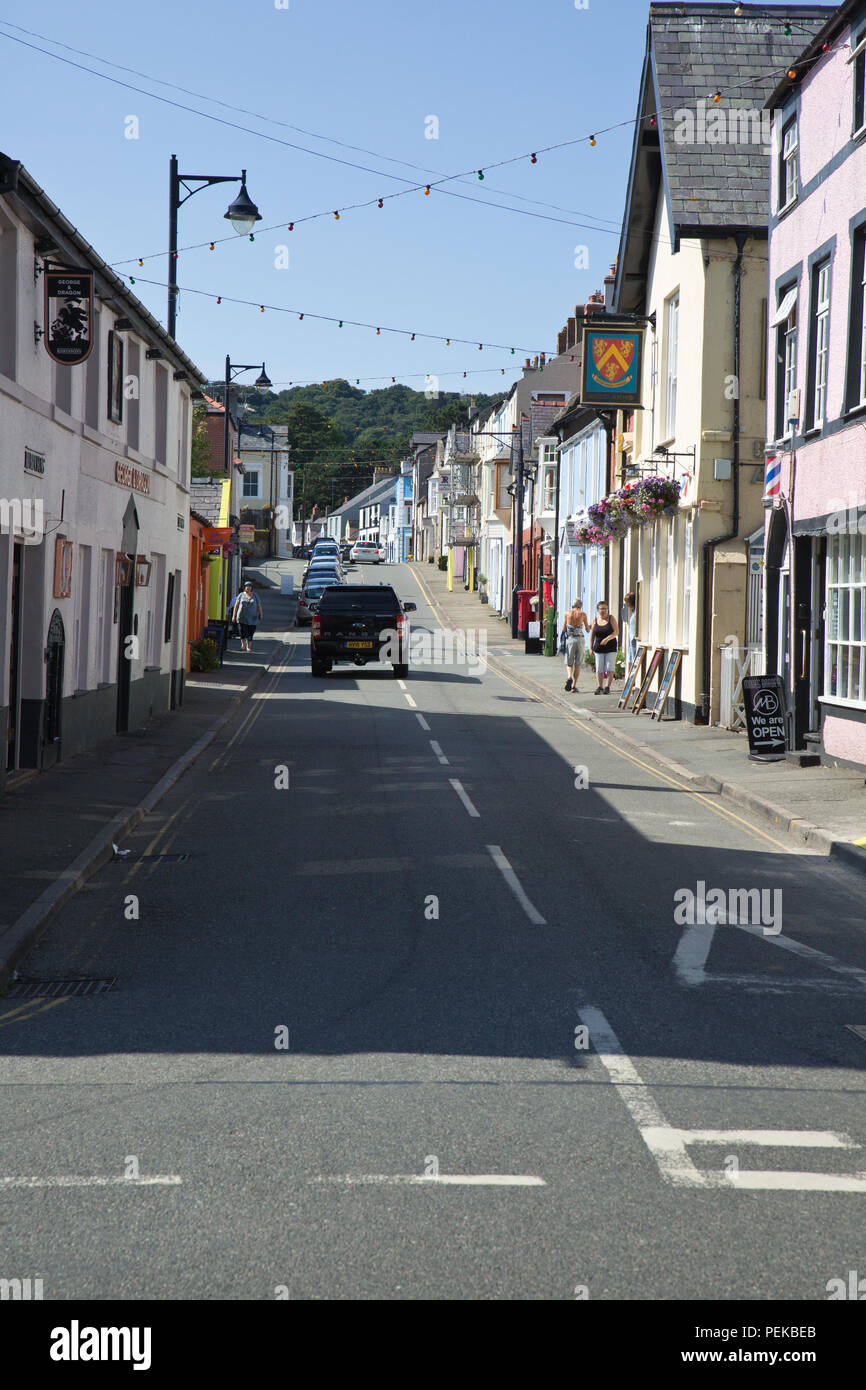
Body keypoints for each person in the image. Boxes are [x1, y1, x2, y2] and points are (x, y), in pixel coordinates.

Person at [590, 599, 619, 695]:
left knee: (610, 667)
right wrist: (591, 648)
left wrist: (607, 638)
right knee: (599, 668)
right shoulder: (595, 620)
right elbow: (592, 635)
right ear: (598, 610)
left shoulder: (611, 619)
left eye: (605, 609)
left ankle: (607, 687)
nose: (603, 611)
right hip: (598, 648)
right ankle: (600, 686)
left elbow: (616, 632)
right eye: (601, 609)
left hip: (610, 647)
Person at [563, 597, 590, 692]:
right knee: (577, 664)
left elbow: (563, 629)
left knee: (569, 663)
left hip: (570, 639)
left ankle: (569, 676)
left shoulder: (567, 613)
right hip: (580, 640)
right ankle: (574, 686)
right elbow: (587, 629)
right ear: (581, 605)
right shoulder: (583, 614)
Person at [231, 580, 263, 653]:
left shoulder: (255, 595)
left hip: (253, 618)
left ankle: (248, 647)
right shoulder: (241, 595)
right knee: (243, 632)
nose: (248, 588)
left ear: (252, 587)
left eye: (249, 586)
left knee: (250, 633)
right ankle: (243, 646)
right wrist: (234, 616)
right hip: (242, 617)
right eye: (246, 586)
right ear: (244, 587)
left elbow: (259, 606)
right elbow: (236, 606)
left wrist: (261, 614)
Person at [623, 592, 637, 667]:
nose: (627, 605)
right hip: (631, 638)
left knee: (634, 660)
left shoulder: (636, 613)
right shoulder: (633, 612)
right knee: (632, 658)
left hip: (634, 638)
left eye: (627, 602)